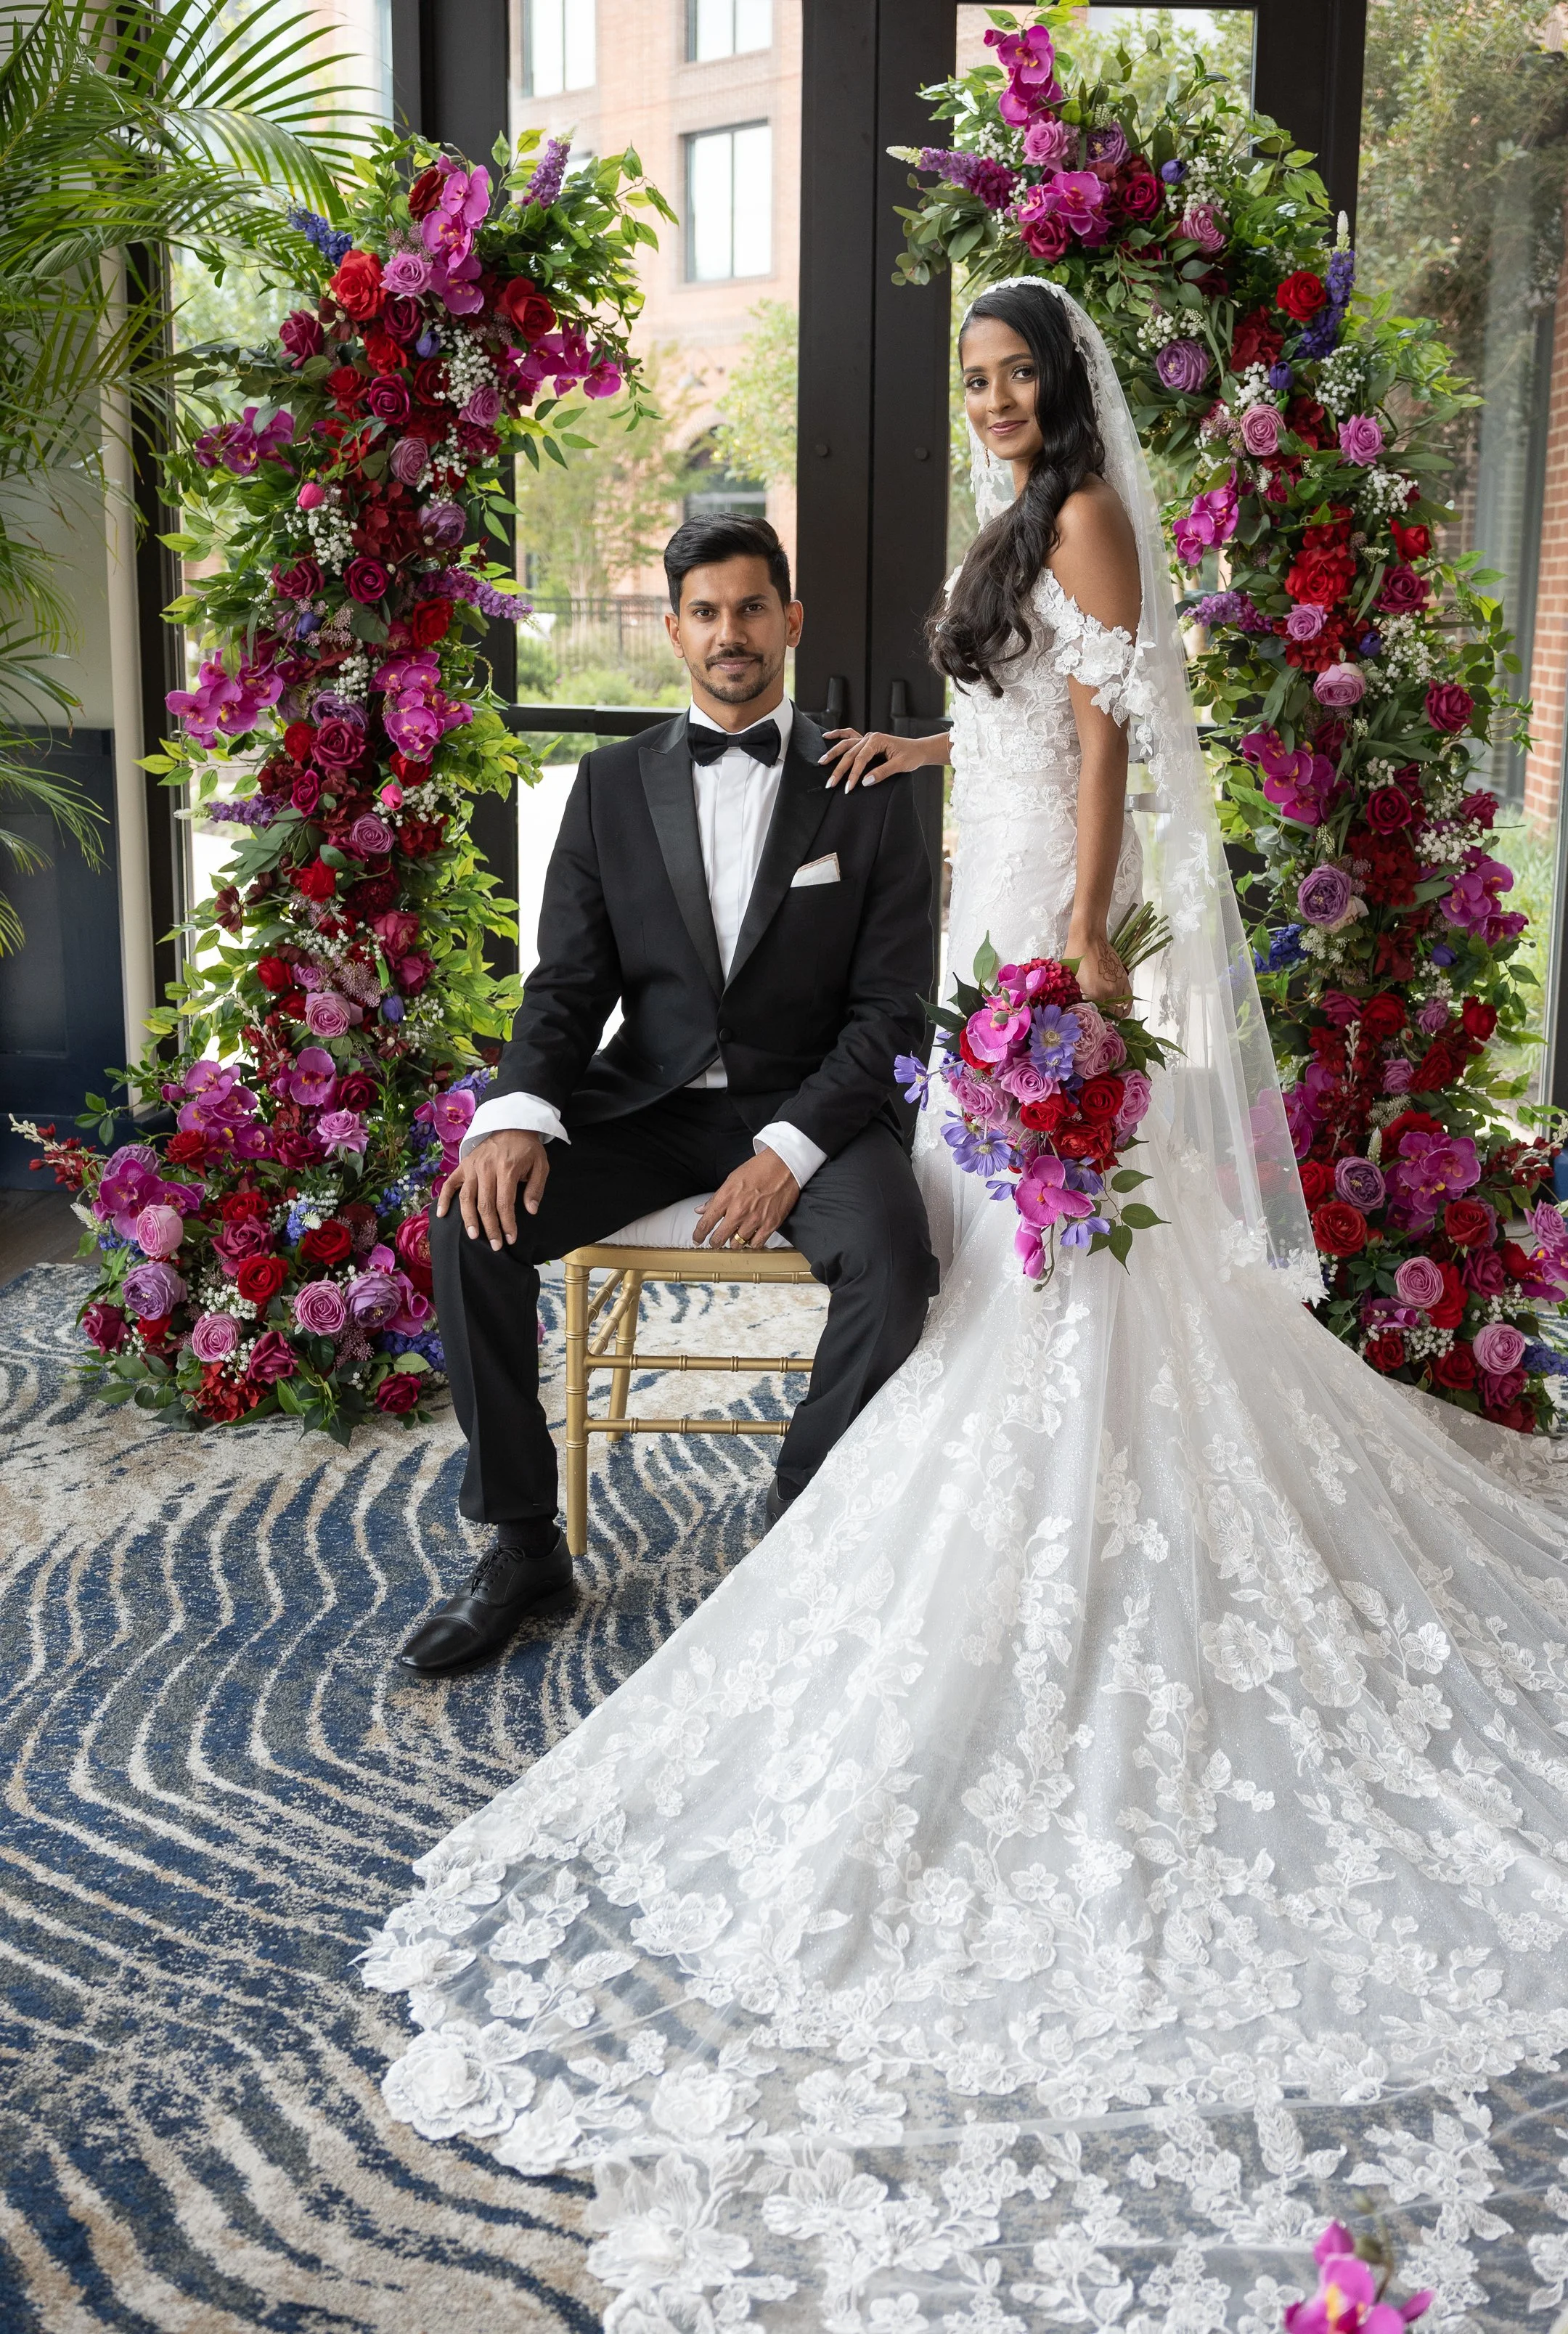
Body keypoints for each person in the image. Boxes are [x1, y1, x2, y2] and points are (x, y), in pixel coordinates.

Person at [367, 284, 1568, 2324]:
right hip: (696, 1085)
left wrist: (1073, 958)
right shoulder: (911, 610)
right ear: (678, 629)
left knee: (982, 1272)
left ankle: (852, 1531)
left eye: (1022, 377)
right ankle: (522, 1544)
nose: (1000, 400)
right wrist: (523, 1094)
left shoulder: (1047, 558)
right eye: (984, 382)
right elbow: (1007, 719)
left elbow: (1100, 740)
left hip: (955, 1010)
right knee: (496, 1212)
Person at [399, 513, 939, 1675]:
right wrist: (513, 1115)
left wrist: (789, 1149)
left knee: (895, 1261)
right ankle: (521, 1540)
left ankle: (801, 1515)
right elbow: (566, 984)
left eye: (751, 608)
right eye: (706, 611)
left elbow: (893, 1012)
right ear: (672, 629)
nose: (729, 633)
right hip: (649, 1106)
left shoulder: (869, 784)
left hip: (815, 1110)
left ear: (791, 622)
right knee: (468, 1222)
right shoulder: (605, 786)